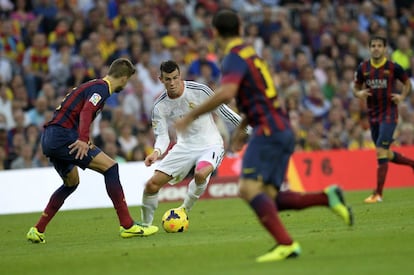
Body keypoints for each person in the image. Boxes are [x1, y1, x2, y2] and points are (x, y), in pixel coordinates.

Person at [175, 9, 353, 263]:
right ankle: (327, 197)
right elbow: (258, 96)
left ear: (214, 32)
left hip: (268, 130)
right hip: (280, 127)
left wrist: (190, 116)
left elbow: (227, 92)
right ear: (240, 27)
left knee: (248, 188)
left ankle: (286, 244)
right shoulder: (251, 54)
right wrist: (240, 129)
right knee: (270, 197)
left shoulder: (233, 57)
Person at [26, 58, 158, 243]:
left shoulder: (92, 86)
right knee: (111, 168)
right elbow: (86, 111)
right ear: (123, 77)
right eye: (127, 80)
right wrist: (82, 139)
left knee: (71, 183)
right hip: (63, 136)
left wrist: (84, 138)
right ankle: (128, 226)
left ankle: (37, 229)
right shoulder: (101, 88)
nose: (125, 85)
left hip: (50, 138)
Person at [141, 60, 243, 227]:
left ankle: (184, 209)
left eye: (175, 78)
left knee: (201, 174)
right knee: (151, 185)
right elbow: (162, 136)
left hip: (210, 144)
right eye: (168, 79)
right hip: (184, 146)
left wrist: (254, 131)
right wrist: (157, 152)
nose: (172, 83)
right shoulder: (160, 106)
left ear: (180, 76)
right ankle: (145, 226)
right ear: (161, 80)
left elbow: (225, 113)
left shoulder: (200, 90)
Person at [353, 36, 413, 203]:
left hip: (389, 114)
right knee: (384, 152)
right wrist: (358, 93)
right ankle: (412, 164)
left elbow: (407, 83)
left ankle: (378, 194)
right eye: (373, 46)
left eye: (379, 45)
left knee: (380, 150)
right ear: (369, 48)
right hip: (372, 115)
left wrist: (402, 96)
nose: (376, 48)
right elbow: (355, 87)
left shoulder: (393, 67)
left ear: (385, 48)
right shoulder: (363, 68)